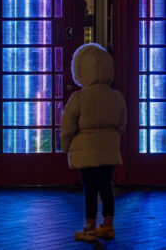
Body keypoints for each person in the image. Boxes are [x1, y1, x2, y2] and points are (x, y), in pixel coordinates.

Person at [60, 43, 127, 242]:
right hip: (108, 150)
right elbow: (122, 124)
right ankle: (107, 226)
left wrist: (66, 145)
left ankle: (89, 229)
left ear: (80, 70)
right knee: (106, 187)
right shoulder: (117, 97)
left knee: (90, 191)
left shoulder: (79, 97)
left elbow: (68, 125)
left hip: (85, 151)